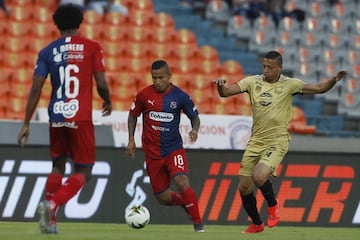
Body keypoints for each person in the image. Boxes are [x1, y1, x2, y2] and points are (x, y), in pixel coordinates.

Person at [214, 50, 347, 234]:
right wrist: (220, 86)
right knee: (244, 187)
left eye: (270, 67)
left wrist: (333, 80)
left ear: (280, 68)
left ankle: (273, 205)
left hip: (277, 140)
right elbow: (226, 93)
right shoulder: (253, 82)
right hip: (255, 141)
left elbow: (318, 88)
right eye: (264, 66)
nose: (266, 70)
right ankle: (257, 224)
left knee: (259, 176)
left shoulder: (290, 84)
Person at [17, 4, 112, 234]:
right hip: (79, 116)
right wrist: (107, 100)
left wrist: (27, 123)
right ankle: (52, 205)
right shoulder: (92, 48)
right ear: (79, 22)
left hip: (56, 115)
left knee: (58, 166)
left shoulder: (47, 51)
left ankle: (50, 222)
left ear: (57, 25)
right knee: (85, 171)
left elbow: (36, 87)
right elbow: (100, 84)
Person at [125, 60, 205, 232]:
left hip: (173, 149)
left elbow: (195, 117)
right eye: (154, 78)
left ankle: (199, 225)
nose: (157, 82)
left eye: (161, 78)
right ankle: (186, 203)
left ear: (169, 76)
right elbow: (132, 116)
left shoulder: (180, 96)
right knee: (162, 197)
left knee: (181, 181)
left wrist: (195, 130)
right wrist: (131, 139)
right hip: (152, 154)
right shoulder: (144, 95)